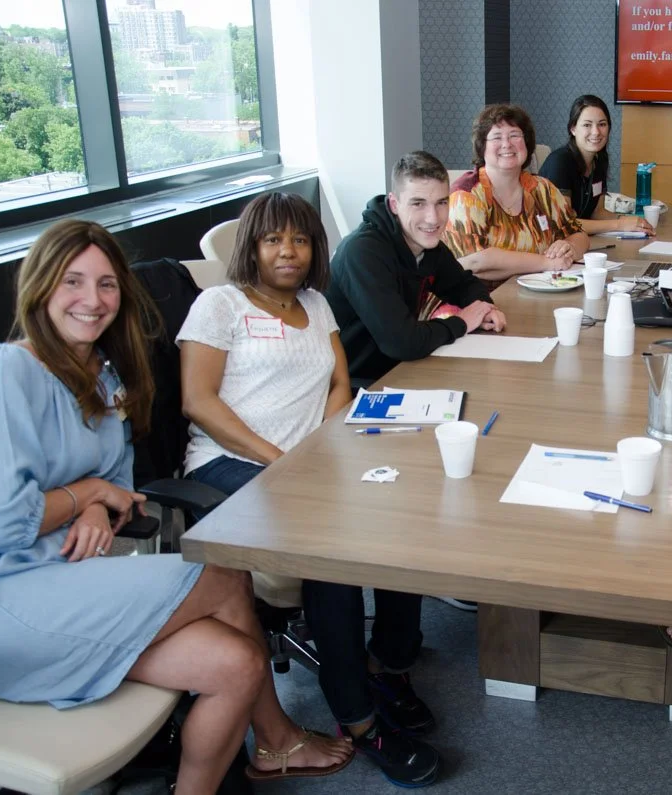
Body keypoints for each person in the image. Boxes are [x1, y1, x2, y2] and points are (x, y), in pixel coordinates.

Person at [0, 219, 352, 793]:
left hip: (73, 585)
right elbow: (2, 522)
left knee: (238, 664)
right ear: (39, 286)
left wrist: (98, 505)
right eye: (73, 282)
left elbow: (119, 485)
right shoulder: (6, 370)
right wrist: (89, 496)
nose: (92, 301)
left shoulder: (101, 374)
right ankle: (275, 736)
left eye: (107, 285)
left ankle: (233, 767)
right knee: (220, 572)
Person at [178, 193, 441, 787]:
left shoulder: (316, 304)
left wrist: (327, 450)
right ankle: (358, 716)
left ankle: (390, 662)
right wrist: (282, 461)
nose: (287, 251)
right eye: (273, 240)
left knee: (407, 506)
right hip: (228, 465)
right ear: (251, 245)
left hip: (308, 462)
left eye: (299, 240)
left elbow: (339, 385)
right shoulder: (219, 304)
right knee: (332, 551)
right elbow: (199, 402)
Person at [326, 150, 506, 387]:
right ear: (394, 204)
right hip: (355, 387)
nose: (432, 218)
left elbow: (463, 285)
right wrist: (461, 322)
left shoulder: (425, 244)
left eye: (441, 203)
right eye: (418, 204)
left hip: (402, 370)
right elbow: (402, 342)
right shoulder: (362, 253)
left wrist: (484, 309)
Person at [444, 103, 591, 289]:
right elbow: (475, 262)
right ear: (482, 148)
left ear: (527, 144)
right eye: (496, 137)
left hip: (539, 292)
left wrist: (568, 248)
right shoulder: (467, 194)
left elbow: (580, 235)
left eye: (514, 135)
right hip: (478, 300)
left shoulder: (542, 189)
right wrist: (546, 263)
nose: (507, 144)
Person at [538, 95, 653, 236]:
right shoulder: (560, 162)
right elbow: (564, 223)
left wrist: (632, 221)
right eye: (587, 125)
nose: (596, 132)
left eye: (602, 124)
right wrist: (620, 224)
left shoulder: (598, 160)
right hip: (549, 244)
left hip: (579, 240)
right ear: (573, 129)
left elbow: (597, 213)